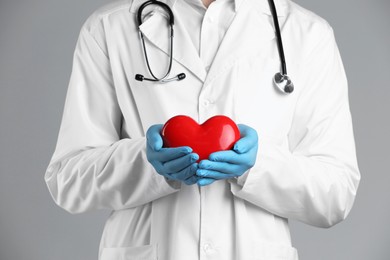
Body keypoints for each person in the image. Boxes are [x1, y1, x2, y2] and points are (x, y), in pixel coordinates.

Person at [44, 0, 361, 259]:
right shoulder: (109, 28)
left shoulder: (307, 34)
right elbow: (67, 178)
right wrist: (145, 161)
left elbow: (336, 194)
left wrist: (258, 165)